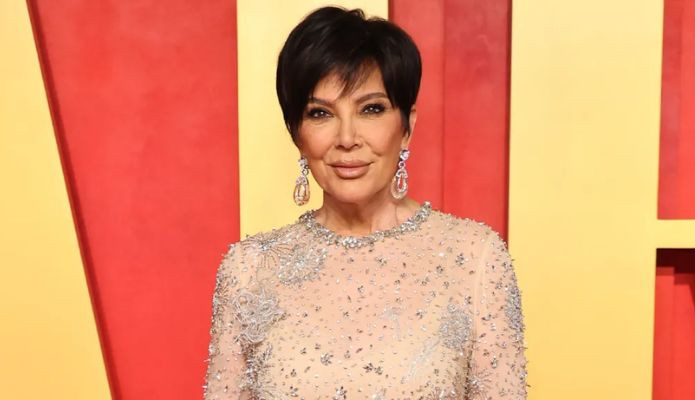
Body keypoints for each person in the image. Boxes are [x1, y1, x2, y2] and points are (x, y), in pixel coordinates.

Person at [203, 6, 528, 399]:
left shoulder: (476, 259)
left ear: (407, 126)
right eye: (320, 113)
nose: (347, 138)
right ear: (297, 134)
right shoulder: (249, 269)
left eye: (371, 109)